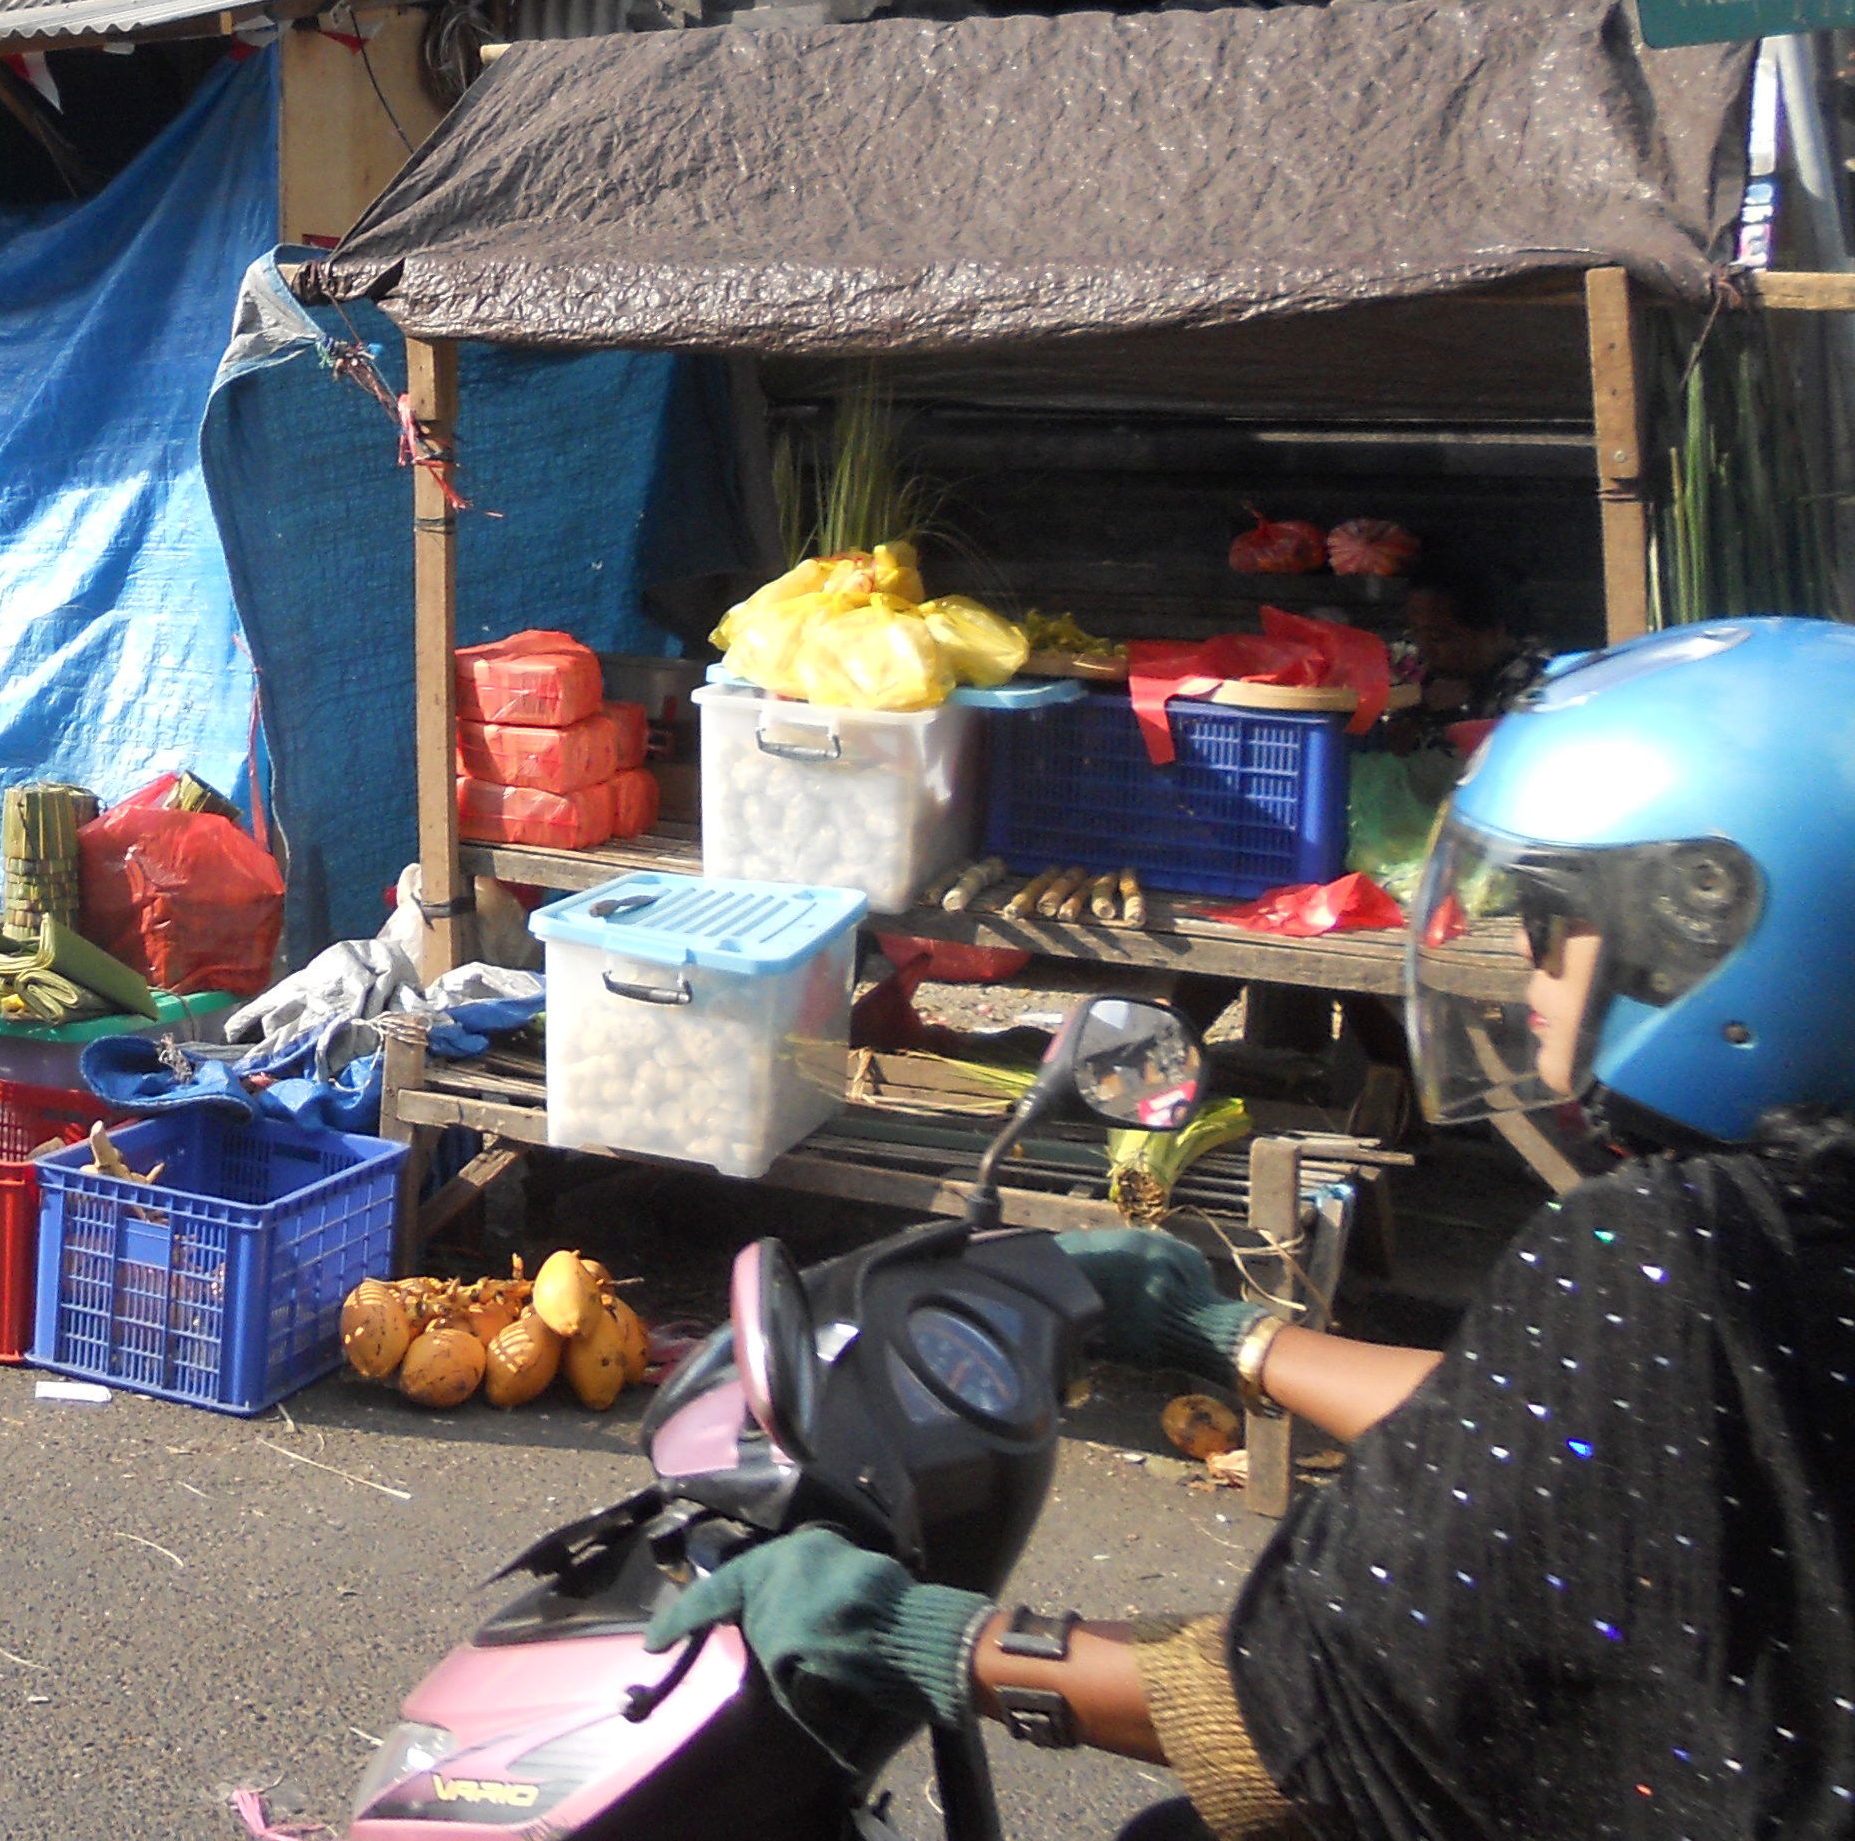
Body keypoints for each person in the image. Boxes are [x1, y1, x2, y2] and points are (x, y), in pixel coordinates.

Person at [645, 614, 1855, 1841]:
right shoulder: (1787, 1235)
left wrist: (927, 1638)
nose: (1529, 971)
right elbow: (1557, 1433)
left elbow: (1304, 1715)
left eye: (1554, 922)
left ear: (1712, 942)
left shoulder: (1667, 1246)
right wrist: (1230, 1333)